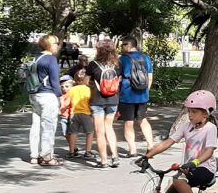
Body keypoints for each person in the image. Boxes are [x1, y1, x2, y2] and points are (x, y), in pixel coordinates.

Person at [138, 90, 218, 193]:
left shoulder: (210, 128)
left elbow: (209, 151)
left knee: (178, 180)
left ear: (205, 114)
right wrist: (147, 156)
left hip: (205, 168)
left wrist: (195, 163)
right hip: (189, 169)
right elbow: (168, 142)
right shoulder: (187, 126)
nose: (190, 115)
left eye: (194, 112)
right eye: (189, 112)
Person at [28, 34, 63, 167]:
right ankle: (47, 156)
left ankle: (34, 155)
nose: (57, 46)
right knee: (48, 126)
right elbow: (55, 81)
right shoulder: (50, 59)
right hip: (47, 96)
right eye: (56, 43)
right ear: (49, 45)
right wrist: (60, 97)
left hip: (34, 95)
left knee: (36, 125)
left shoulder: (36, 58)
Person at [87, 39, 121, 168]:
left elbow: (86, 82)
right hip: (113, 99)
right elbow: (118, 81)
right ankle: (115, 156)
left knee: (99, 131)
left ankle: (104, 160)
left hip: (97, 100)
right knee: (109, 128)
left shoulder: (93, 65)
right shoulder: (118, 64)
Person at [118, 36, 155, 157]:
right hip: (142, 95)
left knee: (128, 122)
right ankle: (150, 146)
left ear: (129, 45)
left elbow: (118, 77)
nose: (122, 47)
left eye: (123, 44)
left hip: (127, 95)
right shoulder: (145, 58)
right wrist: (146, 91)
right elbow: (149, 77)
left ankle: (132, 150)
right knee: (143, 120)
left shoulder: (122, 59)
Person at [66, 70, 96, 160]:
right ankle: (88, 151)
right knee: (90, 132)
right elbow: (91, 101)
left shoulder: (71, 90)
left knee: (73, 133)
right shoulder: (89, 89)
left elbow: (68, 101)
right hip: (86, 113)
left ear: (75, 80)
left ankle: (71, 152)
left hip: (74, 114)